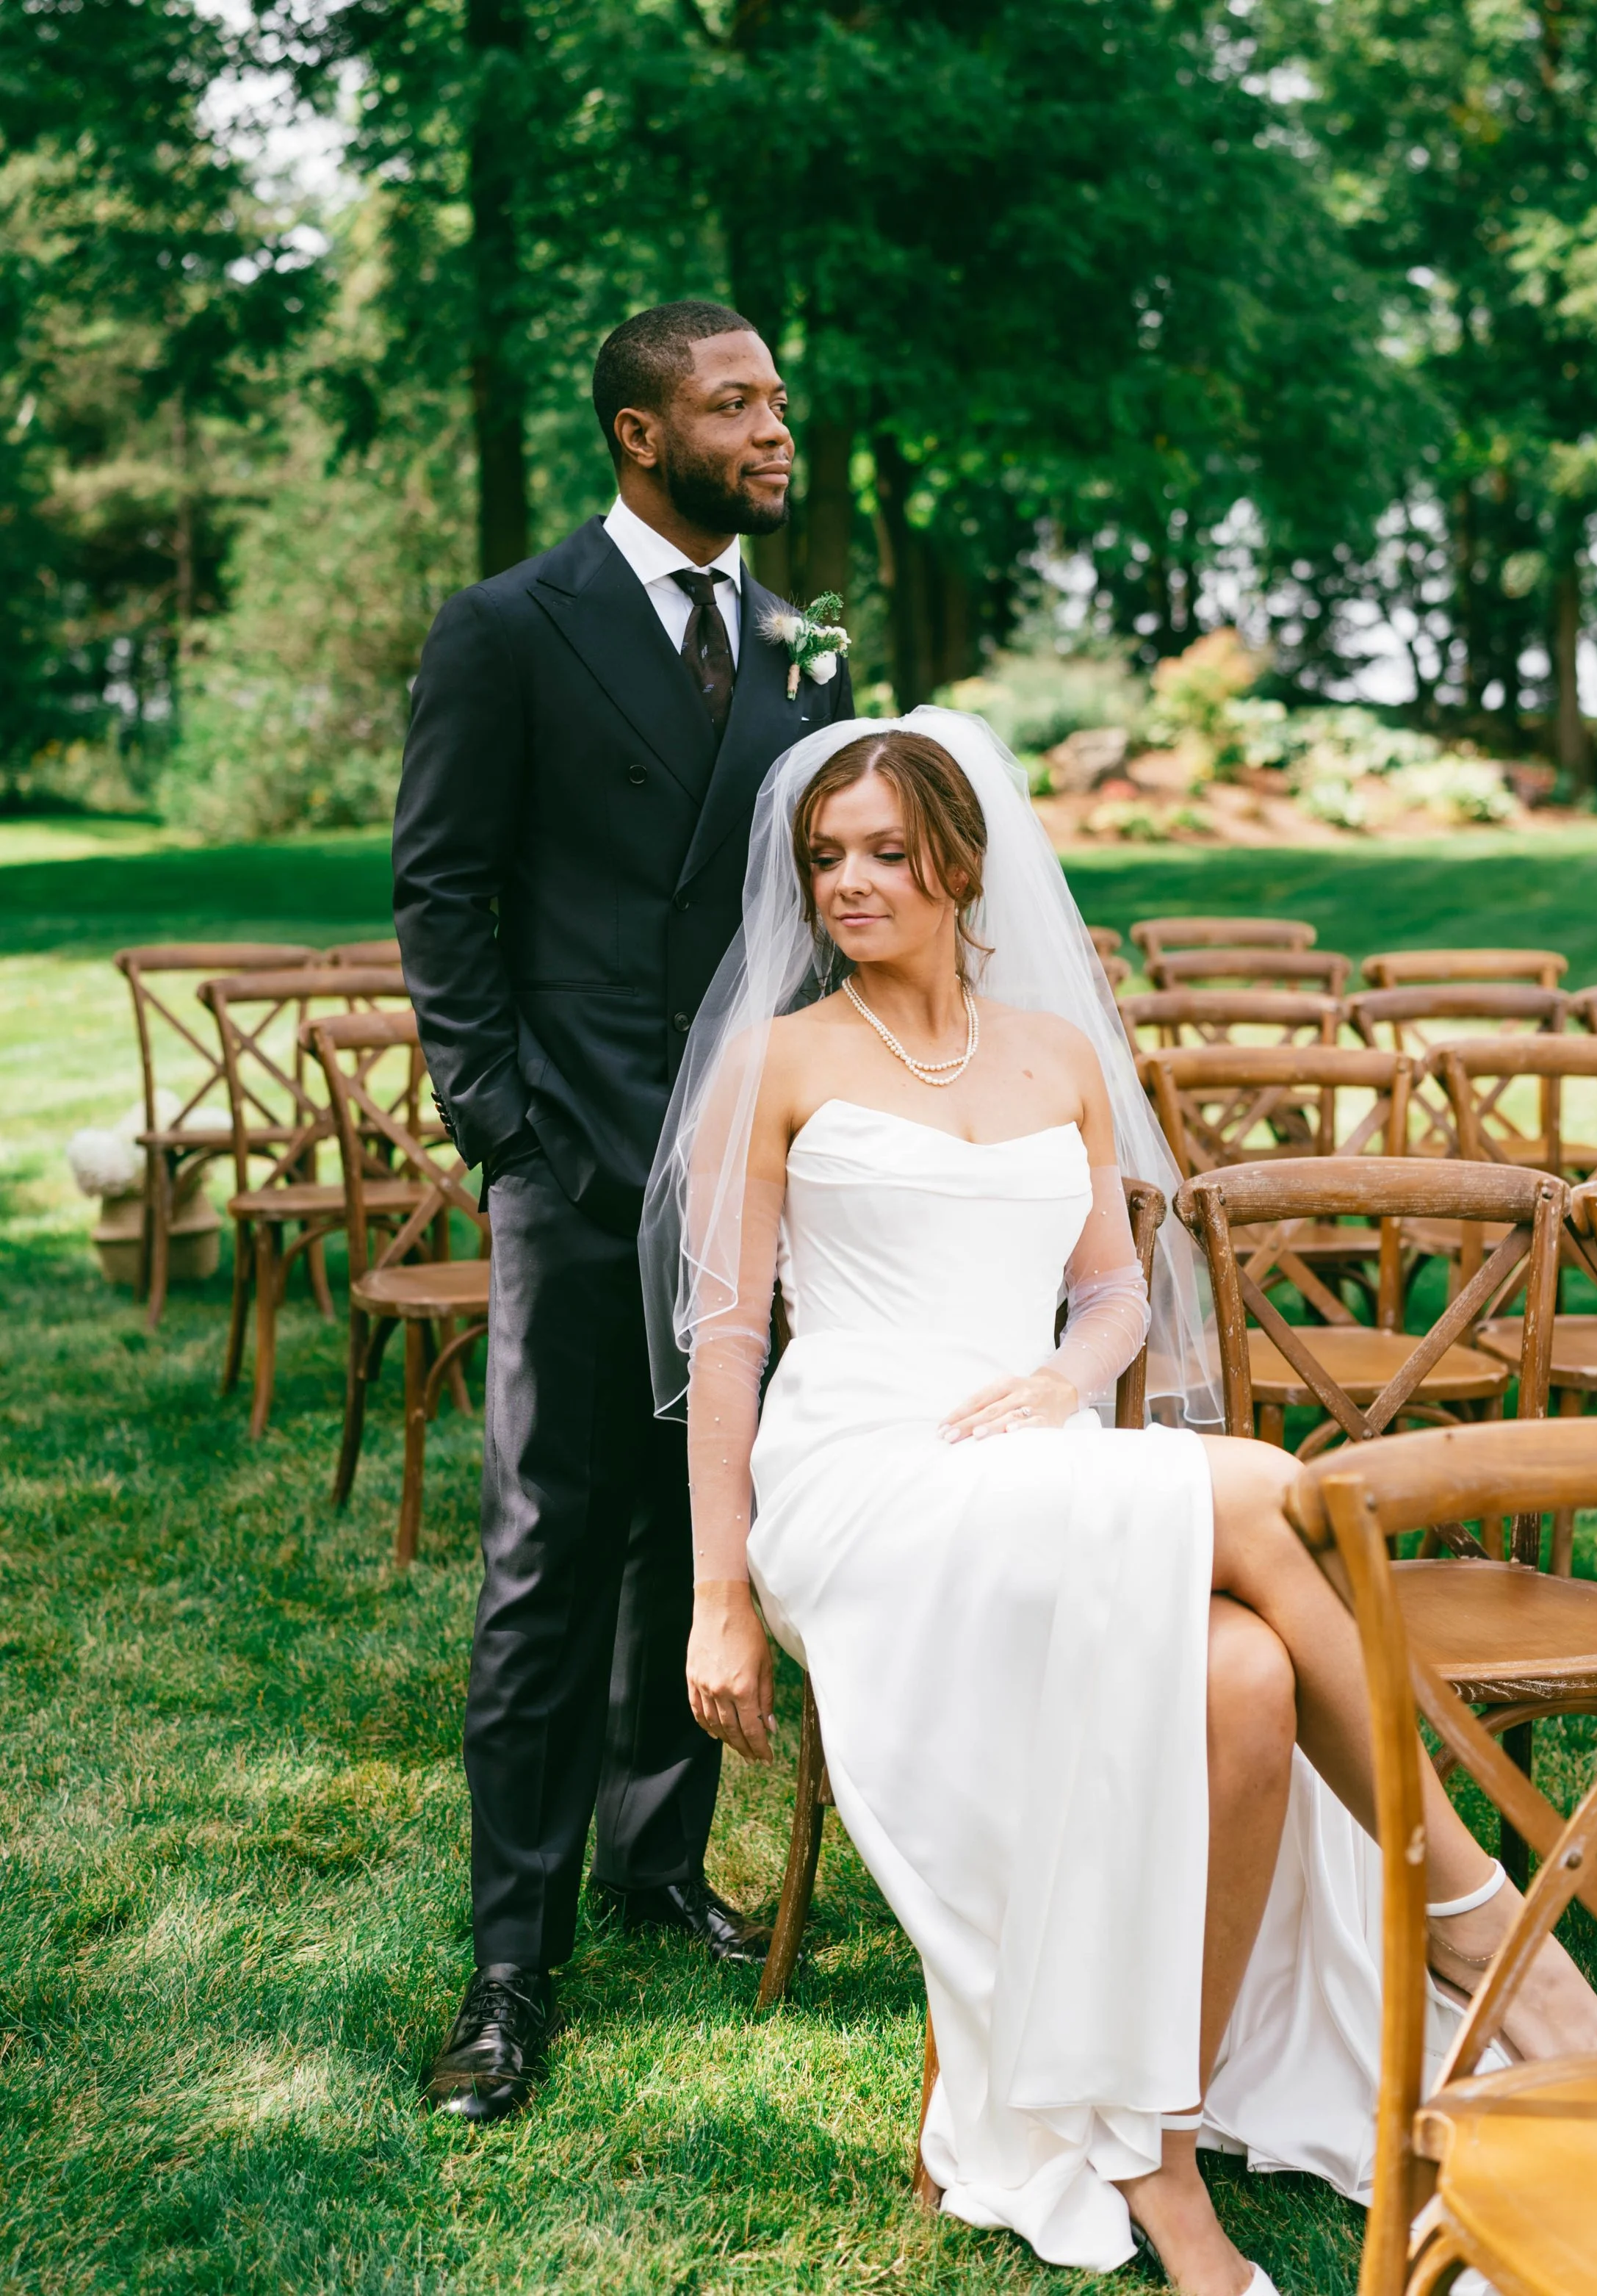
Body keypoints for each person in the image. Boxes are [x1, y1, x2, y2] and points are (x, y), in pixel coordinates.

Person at [641, 712, 1597, 2296]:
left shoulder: (1057, 1055)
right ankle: (1474, 1918)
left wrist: (1056, 1376)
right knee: (1265, 1490)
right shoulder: (781, 1059)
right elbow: (728, 1338)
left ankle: (1157, 2159)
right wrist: (718, 1594)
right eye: (825, 856)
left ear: (962, 862)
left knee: (1244, 1678)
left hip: (1022, 1445)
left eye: (887, 851)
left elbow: (1109, 1296)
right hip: (860, 1474)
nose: (849, 882)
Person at [394, 299, 855, 2125]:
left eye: (772, 395)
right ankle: (511, 1959)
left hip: (749, 1166)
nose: (772, 422)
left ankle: (656, 1861)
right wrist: (508, 1128)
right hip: (578, 1164)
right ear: (637, 433)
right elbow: (441, 889)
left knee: (700, 1522)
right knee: (542, 1557)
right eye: (732, 401)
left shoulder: (792, 645)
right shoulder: (510, 627)